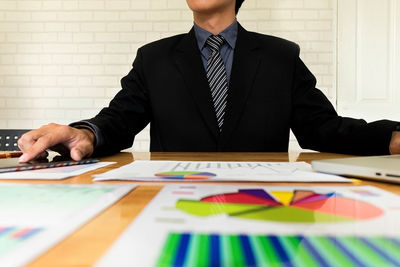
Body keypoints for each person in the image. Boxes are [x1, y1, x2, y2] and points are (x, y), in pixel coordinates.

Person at [18, 0, 400, 163]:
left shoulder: (281, 56)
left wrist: (391, 137)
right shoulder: (154, 57)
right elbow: (119, 121)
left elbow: (323, 130)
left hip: (261, 208)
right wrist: (84, 133)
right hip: (171, 209)